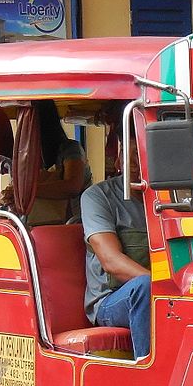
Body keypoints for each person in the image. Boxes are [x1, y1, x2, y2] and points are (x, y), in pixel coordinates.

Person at [81, 145, 150, 359]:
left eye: (145, 154)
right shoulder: (98, 196)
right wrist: (169, 289)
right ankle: (147, 372)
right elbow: (112, 261)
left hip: (164, 294)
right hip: (111, 300)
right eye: (132, 155)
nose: (137, 162)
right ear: (119, 161)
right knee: (145, 287)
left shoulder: (175, 199)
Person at [27, 101, 91, 225]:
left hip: (73, 222)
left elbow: (72, 186)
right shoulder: (31, 153)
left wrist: (30, 192)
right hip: (42, 222)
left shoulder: (70, 149)